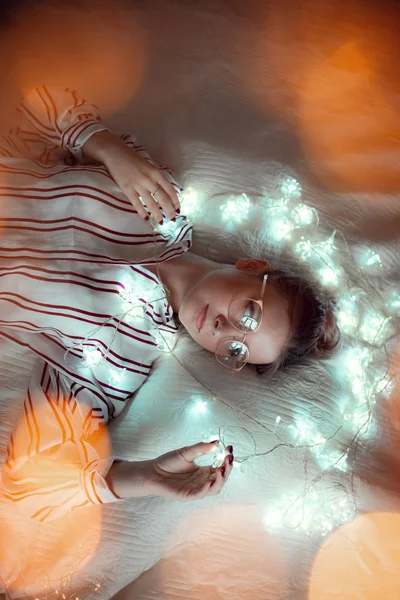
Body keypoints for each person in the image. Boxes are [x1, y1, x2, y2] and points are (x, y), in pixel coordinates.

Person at [0, 87, 339, 522]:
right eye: (247, 314)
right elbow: (34, 85)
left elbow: (27, 478)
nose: (222, 328)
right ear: (252, 265)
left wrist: (147, 476)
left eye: (237, 349)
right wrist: (104, 144)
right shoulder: (161, 198)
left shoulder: (125, 357)